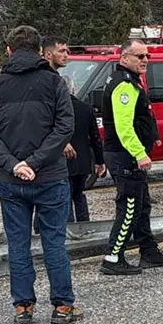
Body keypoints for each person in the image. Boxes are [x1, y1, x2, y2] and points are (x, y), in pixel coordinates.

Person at [0, 25, 82, 324]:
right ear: (39, 51)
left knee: (18, 243)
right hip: (50, 175)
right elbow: (64, 127)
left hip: (10, 180)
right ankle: (62, 305)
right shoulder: (54, 83)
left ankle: (23, 306)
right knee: (54, 242)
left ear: (8, 50)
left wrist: (13, 164)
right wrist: (35, 162)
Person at [100, 40, 163, 275]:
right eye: (139, 56)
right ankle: (113, 256)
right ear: (124, 58)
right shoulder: (124, 85)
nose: (144, 60)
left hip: (127, 154)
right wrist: (139, 153)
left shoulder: (131, 82)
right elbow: (124, 126)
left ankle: (148, 251)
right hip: (124, 156)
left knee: (142, 205)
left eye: (147, 56)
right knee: (130, 206)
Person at [63, 75, 104, 222]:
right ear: (73, 89)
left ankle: (69, 228)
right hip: (82, 160)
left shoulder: (54, 109)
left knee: (64, 197)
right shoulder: (85, 108)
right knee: (79, 194)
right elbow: (95, 137)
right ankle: (84, 224)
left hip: (62, 161)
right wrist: (100, 161)